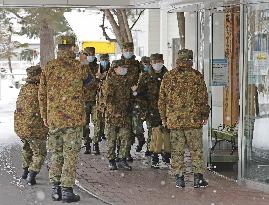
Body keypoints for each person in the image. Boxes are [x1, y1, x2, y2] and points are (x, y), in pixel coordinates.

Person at [39, 36, 91, 202]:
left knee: (56, 154)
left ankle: (55, 189)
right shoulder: (78, 66)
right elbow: (90, 82)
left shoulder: (50, 66)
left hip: (54, 119)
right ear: (72, 48)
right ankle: (67, 190)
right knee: (70, 155)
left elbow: (42, 93)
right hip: (73, 120)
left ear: (59, 48)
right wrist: (84, 62)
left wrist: (44, 115)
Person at [158, 49, 210, 188]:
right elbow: (203, 99)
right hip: (193, 121)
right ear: (191, 60)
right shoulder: (196, 76)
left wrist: (164, 117)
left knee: (177, 150)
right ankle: (198, 178)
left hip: (174, 121)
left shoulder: (168, 76)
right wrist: (204, 115)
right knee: (196, 150)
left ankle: (179, 178)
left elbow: (162, 100)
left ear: (178, 59)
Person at [14, 65, 48, 186]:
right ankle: (32, 174)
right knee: (40, 152)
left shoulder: (24, 88)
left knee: (27, 148)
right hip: (35, 128)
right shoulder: (41, 89)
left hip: (21, 127)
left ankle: (25, 171)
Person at [136, 53, 168, 168]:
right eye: (154, 62)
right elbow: (139, 94)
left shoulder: (168, 75)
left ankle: (165, 154)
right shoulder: (145, 76)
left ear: (162, 61)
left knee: (166, 133)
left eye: (159, 62)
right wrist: (145, 108)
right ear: (151, 63)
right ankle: (154, 156)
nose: (157, 64)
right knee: (154, 133)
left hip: (166, 110)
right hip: (151, 110)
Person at [103, 60, 133, 171]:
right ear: (115, 69)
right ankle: (111, 160)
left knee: (125, 138)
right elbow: (107, 99)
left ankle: (122, 159)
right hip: (112, 116)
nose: (124, 69)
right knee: (112, 139)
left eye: (125, 67)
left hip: (125, 115)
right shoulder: (110, 82)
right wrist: (114, 112)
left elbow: (130, 97)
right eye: (122, 67)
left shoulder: (127, 81)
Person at [121, 42, 141, 162]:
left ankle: (127, 150)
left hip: (134, 99)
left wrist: (137, 90)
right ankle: (124, 152)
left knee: (133, 128)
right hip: (122, 100)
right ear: (123, 50)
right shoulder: (118, 64)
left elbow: (141, 79)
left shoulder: (136, 64)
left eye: (130, 49)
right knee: (124, 128)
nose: (128, 51)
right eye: (126, 49)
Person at [92, 53, 111, 155]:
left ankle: (110, 149)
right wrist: (97, 78)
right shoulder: (96, 70)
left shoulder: (112, 71)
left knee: (107, 126)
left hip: (108, 103)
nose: (104, 61)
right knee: (97, 124)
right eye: (102, 59)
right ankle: (95, 144)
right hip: (97, 103)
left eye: (106, 59)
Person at [82, 46, 99, 154]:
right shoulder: (80, 68)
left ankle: (96, 144)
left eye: (92, 54)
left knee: (98, 123)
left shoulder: (98, 67)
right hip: (83, 100)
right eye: (88, 54)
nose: (90, 56)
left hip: (96, 100)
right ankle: (87, 144)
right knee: (84, 124)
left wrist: (100, 78)